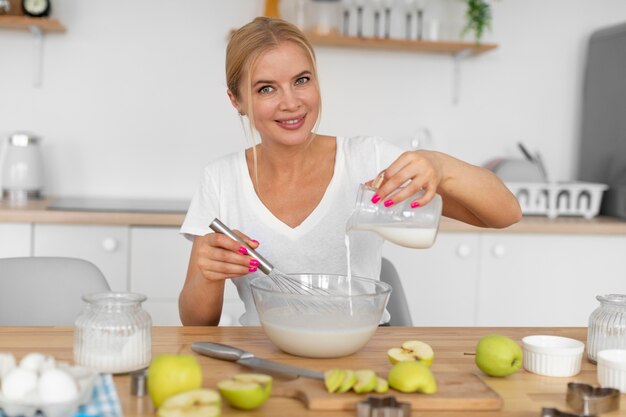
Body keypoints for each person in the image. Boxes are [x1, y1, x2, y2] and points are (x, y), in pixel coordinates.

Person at [178, 16, 522, 326]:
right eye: (265, 88)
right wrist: (207, 276)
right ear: (236, 101)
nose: (291, 102)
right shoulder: (221, 180)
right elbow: (195, 322)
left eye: (302, 80)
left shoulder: (367, 159)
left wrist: (441, 166)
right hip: (264, 353)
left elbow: (506, 213)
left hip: (362, 351)